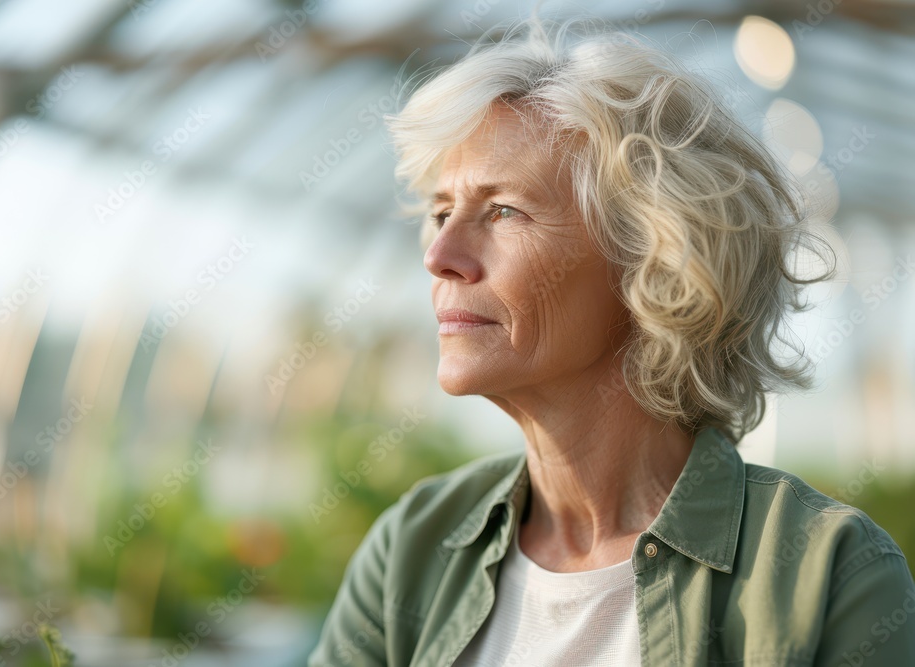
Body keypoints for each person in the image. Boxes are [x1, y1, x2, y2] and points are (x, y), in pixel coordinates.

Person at [308, 18, 915, 666]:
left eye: (503, 211)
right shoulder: (413, 548)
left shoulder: (828, 577)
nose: (439, 254)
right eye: (439, 212)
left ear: (656, 260)